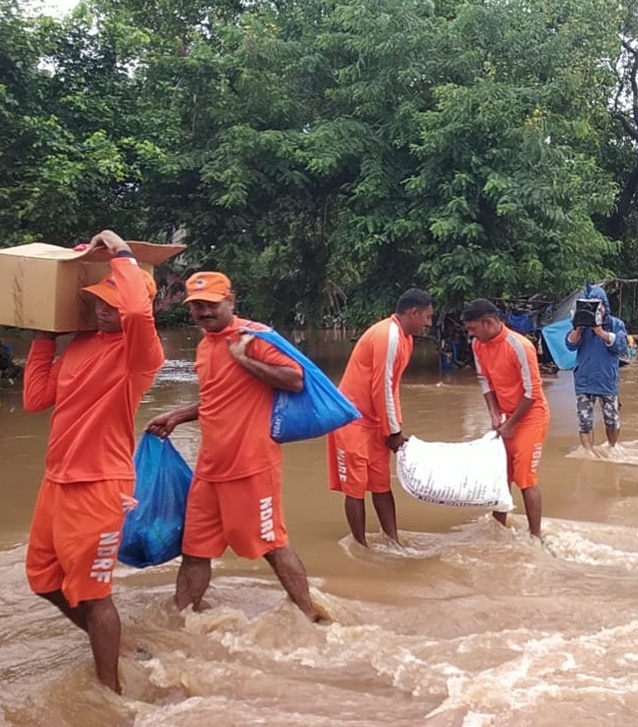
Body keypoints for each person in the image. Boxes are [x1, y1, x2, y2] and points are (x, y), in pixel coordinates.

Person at [22, 230, 164, 693]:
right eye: (98, 301)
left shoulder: (139, 355)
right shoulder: (80, 346)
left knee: (94, 593)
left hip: (101, 485)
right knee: (43, 581)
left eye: (112, 301)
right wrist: (45, 332)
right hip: (57, 481)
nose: (103, 308)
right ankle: (116, 648)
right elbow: (36, 399)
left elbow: (139, 312)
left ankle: (111, 694)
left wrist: (122, 252)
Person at [146, 272, 320, 622]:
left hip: (252, 466)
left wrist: (244, 359)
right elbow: (218, 398)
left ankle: (311, 617)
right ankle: (181, 623)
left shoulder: (252, 337)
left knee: (272, 545)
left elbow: (296, 379)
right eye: (196, 306)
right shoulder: (204, 345)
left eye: (211, 304)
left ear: (231, 301)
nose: (203, 312)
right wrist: (179, 415)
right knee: (195, 552)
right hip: (210, 470)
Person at [327, 289, 434, 547]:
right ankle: (360, 545)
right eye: (427, 317)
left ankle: (393, 542)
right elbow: (381, 385)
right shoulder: (390, 335)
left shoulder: (406, 339)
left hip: (376, 421)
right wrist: (393, 431)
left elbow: (392, 386)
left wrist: (394, 426)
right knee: (355, 489)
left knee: (381, 484)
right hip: (350, 420)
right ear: (413, 313)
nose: (429, 323)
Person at [463, 299, 549, 538]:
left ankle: (535, 536)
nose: (471, 334)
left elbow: (532, 392)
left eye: (473, 329)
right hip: (505, 415)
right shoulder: (477, 345)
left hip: (531, 416)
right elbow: (484, 380)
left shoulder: (520, 346)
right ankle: (497, 531)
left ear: (488, 323)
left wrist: (511, 425)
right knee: (500, 475)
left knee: (525, 478)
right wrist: (494, 414)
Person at [565, 285, 627, 456]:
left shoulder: (616, 324)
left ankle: (612, 447)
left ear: (604, 306)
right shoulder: (580, 324)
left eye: (597, 305)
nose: (594, 308)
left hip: (607, 379)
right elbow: (569, 345)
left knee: (611, 419)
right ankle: (588, 453)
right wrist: (578, 327)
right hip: (584, 379)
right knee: (584, 420)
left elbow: (622, 346)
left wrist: (600, 331)